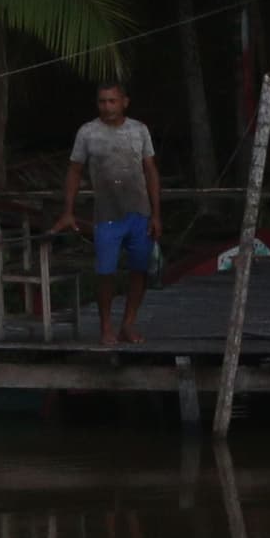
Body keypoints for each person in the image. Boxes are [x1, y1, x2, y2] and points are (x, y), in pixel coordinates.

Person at [55, 81, 164, 347]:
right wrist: (68, 211)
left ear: (124, 101)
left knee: (139, 270)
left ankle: (128, 323)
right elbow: (74, 171)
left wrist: (156, 215)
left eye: (112, 101)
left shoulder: (139, 130)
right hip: (106, 215)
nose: (107, 106)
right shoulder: (88, 133)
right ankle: (106, 327)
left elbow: (150, 171)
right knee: (106, 272)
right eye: (102, 101)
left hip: (139, 212)